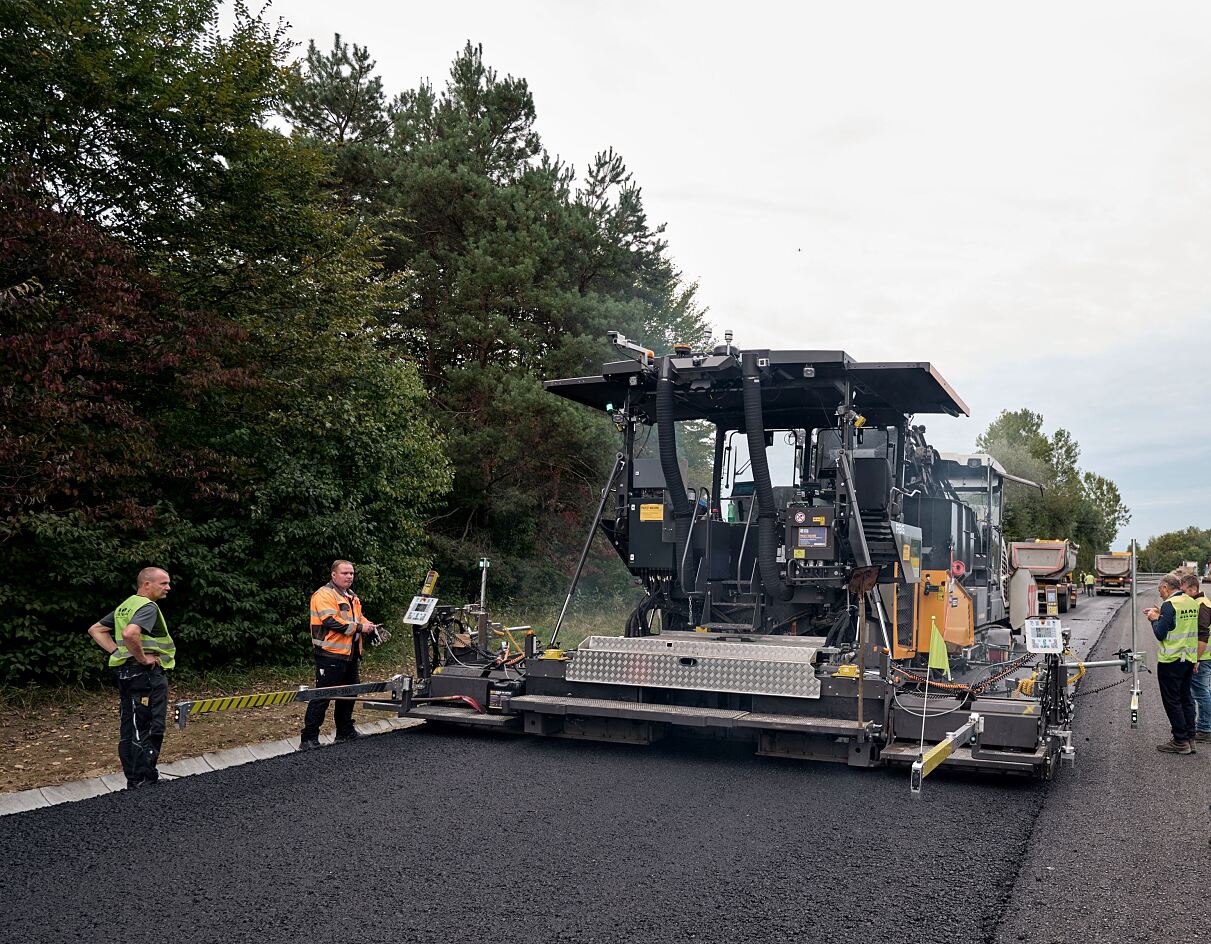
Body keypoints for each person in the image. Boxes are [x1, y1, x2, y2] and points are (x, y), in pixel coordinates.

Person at [86, 567, 175, 788]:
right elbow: (129, 634)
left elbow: (95, 630)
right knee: (149, 725)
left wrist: (118, 653)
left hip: (126, 674)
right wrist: (143, 658)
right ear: (147, 584)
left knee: (130, 725)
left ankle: (134, 778)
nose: (168, 588)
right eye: (163, 583)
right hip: (146, 675)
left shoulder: (125, 606)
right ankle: (145, 778)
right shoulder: (147, 607)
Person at [299, 560, 381, 750]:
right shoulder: (324, 595)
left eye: (351, 573)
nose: (349, 576)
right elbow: (330, 621)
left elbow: (358, 618)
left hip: (349, 654)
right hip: (329, 654)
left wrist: (371, 626)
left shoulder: (351, 596)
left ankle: (344, 732)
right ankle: (309, 738)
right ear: (333, 575)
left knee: (350, 693)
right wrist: (361, 628)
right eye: (345, 573)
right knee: (323, 695)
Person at [1143, 573, 1199, 754]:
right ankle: (1190, 738)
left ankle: (1180, 740)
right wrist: (1161, 615)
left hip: (1171, 660)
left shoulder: (1169, 604)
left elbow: (1161, 633)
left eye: (1160, 590)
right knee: (1186, 698)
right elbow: (1178, 624)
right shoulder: (1191, 602)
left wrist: (1153, 619)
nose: (1160, 594)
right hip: (1189, 658)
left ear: (1166, 588)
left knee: (1172, 700)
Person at [1179, 573, 1211, 743]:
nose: (1182, 594)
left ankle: (1205, 729)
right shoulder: (1199, 603)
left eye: (1184, 590)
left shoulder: (1202, 605)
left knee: (1200, 693)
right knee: (1204, 691)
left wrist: (1197, 659)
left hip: (1204, 656)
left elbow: (1203, 634)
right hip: (1204, 655)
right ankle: (1206, 726)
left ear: (1192, 589)